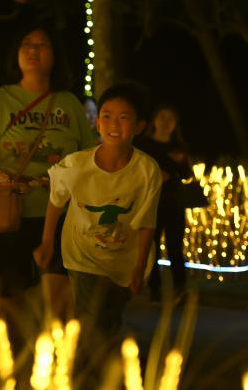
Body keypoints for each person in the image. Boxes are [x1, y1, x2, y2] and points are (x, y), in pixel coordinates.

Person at [0, 23, 96, 324]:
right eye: (26, 44)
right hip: (7, 213)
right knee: (8, 302)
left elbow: (87, 158)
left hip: (60, 214)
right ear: (16, 54)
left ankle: (58, 352)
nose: (33, 50)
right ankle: (11, 352)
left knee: (60, 301)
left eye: (42, 44)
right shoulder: (0, 100)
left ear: (55, 55)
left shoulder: (69, 104)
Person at [33, 83, 162, 351]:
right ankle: (90, 370)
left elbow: (147, 221)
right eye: (107, 115)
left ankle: (97, 365)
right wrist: (46, 242)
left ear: (139, 126)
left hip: (123, 262)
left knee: (109, 319)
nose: (113, 124)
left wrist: (139, 266)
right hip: (82, 256)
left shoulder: (147, 170)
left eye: (123, 117)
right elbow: (56, 199)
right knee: (93, 322)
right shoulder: (77, 164)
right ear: (97, 122)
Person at [137, 103, 192, 301]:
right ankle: (154, 288)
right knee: (151, 247)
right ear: (154, 121)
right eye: (162, 117)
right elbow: (138, 170)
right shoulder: (145, 145)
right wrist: (156, 173)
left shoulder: (178, 146)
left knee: (175, 246)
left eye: (171, 119)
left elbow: (187, 175)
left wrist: (180, 162)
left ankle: (180, 288)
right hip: (151, 202)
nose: (166, 122)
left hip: (174, 203)